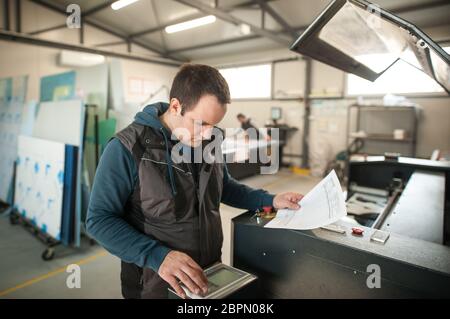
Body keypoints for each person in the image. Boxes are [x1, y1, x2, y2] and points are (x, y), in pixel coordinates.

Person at [86, 64, 303, 299]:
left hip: (208, 276)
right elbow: (99, 220)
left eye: (214, 125)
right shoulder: (126, 148)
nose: (208, 134)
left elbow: (224, 187)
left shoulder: (208, 141)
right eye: (201, 123)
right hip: (154, 285)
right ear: (176, 106)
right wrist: (158, 256)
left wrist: (270, 199)